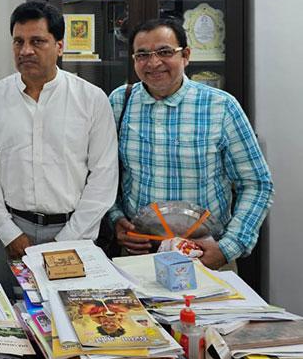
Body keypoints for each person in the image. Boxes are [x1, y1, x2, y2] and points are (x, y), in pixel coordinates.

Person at [0, 2, 118, 295]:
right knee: (14, 324)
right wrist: (9, 232)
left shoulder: (91, 99)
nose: (25, 50)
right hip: (11, 232)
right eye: (18, 42)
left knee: (72, 320)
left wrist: (67, 241)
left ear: (60, 46)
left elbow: (103, 176)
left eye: (37, 41)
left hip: (74, 233)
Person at [109, 18, 273, 269]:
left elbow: (256, 184)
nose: (153, 63)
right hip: (138, 255)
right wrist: (116, 218)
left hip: (206, 256)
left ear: (185, 55)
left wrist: (228, 247)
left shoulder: (221, 106)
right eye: (142, 55)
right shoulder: (120, 102)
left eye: (164, 52)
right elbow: (103, 174)